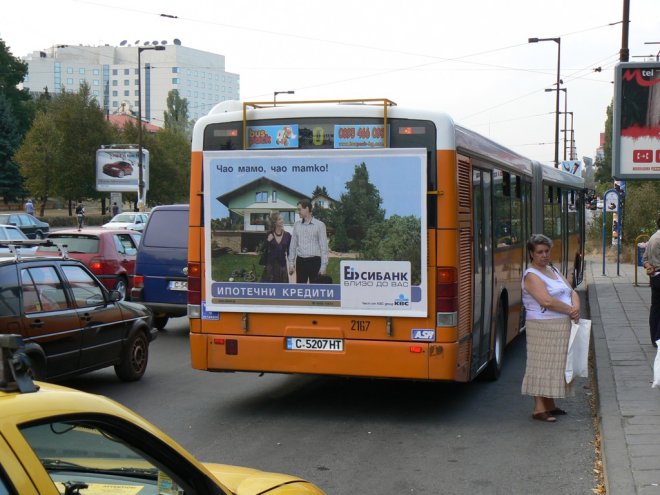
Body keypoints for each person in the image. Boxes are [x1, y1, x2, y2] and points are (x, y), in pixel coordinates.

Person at [521, 234, 580, 423]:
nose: (544, 255)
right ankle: (539, 409)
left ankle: (550, 405)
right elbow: (546, 300)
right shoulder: (531, 275)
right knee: (540, 365)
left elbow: (571, 291)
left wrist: (576, 306)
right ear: (531, 253)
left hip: (560, 324)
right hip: (542, 325)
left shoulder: (552, 269)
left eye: (547, 251)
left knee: (555, 366)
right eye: (540, 252)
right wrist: (571, 310)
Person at [288, 199, 329, 284]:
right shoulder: (297, 225)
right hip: (301, 262)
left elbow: (324, 247)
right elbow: (293, 245)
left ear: (307, 208)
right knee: (300, 290)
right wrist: (291, 263)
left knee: (316, 290)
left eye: (300, 209)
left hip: (315, 262)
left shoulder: (320, 225)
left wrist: (323, 266)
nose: (298, 212)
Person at [642, 215, 660, 346]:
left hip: (655, 277)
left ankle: (654, 338)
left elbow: (645, 258)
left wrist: (649, 266)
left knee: (655, 308)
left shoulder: (653, 237)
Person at [261, 212, 292, 283]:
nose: (282, 220)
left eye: (282, 219)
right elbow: (261, 249)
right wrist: (268, 241)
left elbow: (290, 252)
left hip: (282, 266)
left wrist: (291, 264)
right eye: (279, 219)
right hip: (270, 266)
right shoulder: (269, 234)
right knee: (270, 290)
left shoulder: (288, 235)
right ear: (275, 222)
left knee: (282, 289)